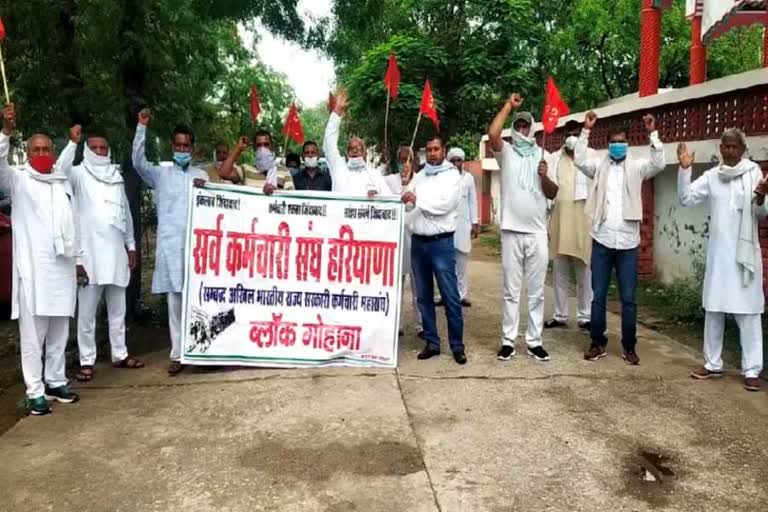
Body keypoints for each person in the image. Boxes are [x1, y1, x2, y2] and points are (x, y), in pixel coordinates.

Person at [0, 103, 82, 415]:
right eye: (36, 149)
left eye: (46, 148)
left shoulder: (60, 181)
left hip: (61, 269)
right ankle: (35, 391)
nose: (42, 153)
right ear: (28, 152)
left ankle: (55, 381)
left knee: (60, 330)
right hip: (33, 273)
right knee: (34, 337)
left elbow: (73, 222)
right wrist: (6, 132)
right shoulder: (18, 180)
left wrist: (79, 261)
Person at [678, 131, 767, 392]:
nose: (729, 151)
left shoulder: (754, 173)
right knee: (714, 309)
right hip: (719, 255)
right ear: (720, 148)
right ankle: (712, 364)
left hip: (745, 257)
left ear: (742, 148)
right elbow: (686, 199)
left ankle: (752, 370)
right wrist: (685, 171)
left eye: (734, 146)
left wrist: (761, 196)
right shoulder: (712, 176)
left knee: (748, 313)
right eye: (725, 146)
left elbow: (762, 214)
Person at [574, 111, 665, 365]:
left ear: (627, 143)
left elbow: (658, 164)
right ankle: (597, 343)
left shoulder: (637, 166)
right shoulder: (599, 166)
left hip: (627, 243)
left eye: (621, 141)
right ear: (608, 145)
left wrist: (652, 133)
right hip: (602, 239)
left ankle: (629, 346)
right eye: (613, 141)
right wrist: (586, 130)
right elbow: (579, 159)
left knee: (628, 299)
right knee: (598, 296)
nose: (617, 145)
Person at [132, 108, 208, 375]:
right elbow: (138, 163)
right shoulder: (160, 174)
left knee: (196, 301)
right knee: (174, 302)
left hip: (197, 249)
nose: (182, 148)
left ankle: (199, 351)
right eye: (178, 144)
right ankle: (177, 354)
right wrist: (141, 128)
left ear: (192, 147)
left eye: (186, 145)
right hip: (169, 247)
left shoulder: (202, 176)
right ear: (171, 146)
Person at [68, 128, 144, 382]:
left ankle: (119, 354)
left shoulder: (115, 175)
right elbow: (60, 168)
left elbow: (125, 213)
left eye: (103, 148)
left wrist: (131, 245)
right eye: (95, 148)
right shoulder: (77, 174)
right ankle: (86, 360)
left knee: (118, 309)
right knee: (87, 312)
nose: (100, 152)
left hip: (116, 253)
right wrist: (72, 143)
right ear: (87, 150)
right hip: (88, 256)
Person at [488, 94, 559, 363]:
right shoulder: (505, 152)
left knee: (537, 290)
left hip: (537, 233)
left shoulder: (545, 156)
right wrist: (508, 106)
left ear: (533, 128)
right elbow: (492, 133)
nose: (521, 130)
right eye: (517, 125)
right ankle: (508, 341)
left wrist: (544, 176)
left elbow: (553, 193)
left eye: (525, 126)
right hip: (511, 232)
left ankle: (534, 341)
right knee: (510, 290)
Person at [402, 135, 465, 364]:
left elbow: (445, 204)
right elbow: (406, 201)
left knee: (450, 296)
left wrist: (417, 200)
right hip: (419, 243)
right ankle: (432, 342)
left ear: (443, 150)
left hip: (441, 244)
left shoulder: (452, 176)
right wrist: (407, 190)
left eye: (436, 149)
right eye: (429, 149)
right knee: (423, 296)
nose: (432, 153)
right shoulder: (419, 176)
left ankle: (457, 346)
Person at [545, 120, 594, 330]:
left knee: (585, 270)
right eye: (569, 133)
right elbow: (547, 189)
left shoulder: (591, 155)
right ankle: (560, 315)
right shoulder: (554, 158)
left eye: (576, 133)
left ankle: (586, 316)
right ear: (564, 136)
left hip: (584, 220)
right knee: (560, 270)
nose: (572, 137)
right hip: (559, 218)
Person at [384, 146, 423, 339]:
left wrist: (413, 194)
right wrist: (400, 194)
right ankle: (395, 325)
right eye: (401, 160)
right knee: (396, 286)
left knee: (419, 287)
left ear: (414, 162)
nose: (404, 164)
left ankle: (421, 326)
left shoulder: (421, 180)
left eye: (408, 160)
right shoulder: (388, 180)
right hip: (395, 240)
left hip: (417, 239)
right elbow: (382, 202)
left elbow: (426, 204)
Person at [324, 89, 389, 197]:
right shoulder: (339, 168)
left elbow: (389, 200)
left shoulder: (374, 175)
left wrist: (377, 197)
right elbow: (329, 143)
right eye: (351, 148)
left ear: (364, 153)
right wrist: (337, 111)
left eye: (358, 148)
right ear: (346, 153)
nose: (354, 150)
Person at [435, 148, 478, 307]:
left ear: (463, 162)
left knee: (461, 263)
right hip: (445, 226)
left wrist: (475, 222)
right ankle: (442, 295)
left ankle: (462, 295)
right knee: (443, 264)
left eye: (458, 160)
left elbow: (473, 201)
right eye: (452, 160)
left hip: (463, 225)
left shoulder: (468, 179)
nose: (455, 163)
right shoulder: (442, 178)